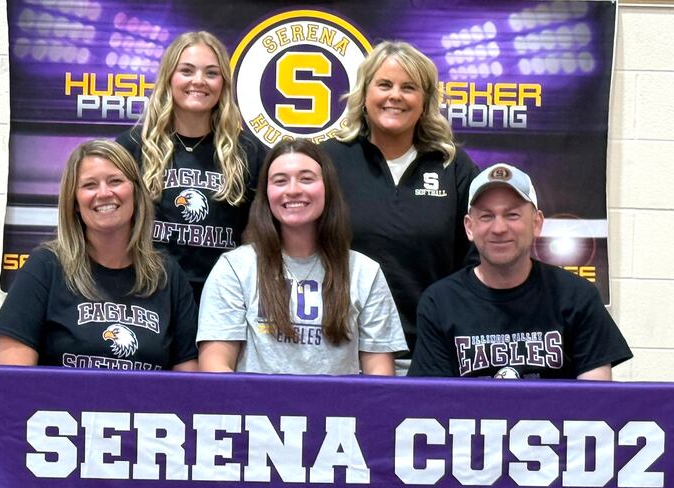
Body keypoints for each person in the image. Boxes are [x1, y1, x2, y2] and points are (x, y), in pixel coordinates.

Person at [323, 40, 479, 364]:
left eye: (409, 87)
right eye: (384, 85)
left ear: (425, 102)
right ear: (365, 95)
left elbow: (476, 259)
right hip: (342, 355)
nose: (395, 95)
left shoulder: (453, 166)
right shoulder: (328, 161)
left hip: (431, 355)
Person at [197, 139, 406, 375]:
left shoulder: (364, 272)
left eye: (306, 179)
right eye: (280, 181)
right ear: (266, 194)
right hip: (256, 410)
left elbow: (379, 375)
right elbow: (215, 368)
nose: (293, 189)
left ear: (327, 188)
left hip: (340, 411)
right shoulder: (235, 268)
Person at [0, 140, 198, 371]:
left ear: (136, 192)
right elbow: (14, 381)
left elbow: (188, 385)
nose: (104, 193)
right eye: (89, 185)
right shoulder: (46, 266)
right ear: (75, 202)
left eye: (115, 181)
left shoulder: (167, 274)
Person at [409, 163, 632, 379]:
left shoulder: (576, 296)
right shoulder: (440, 303)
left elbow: (596, 401)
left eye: (512, 215)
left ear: (537, 223)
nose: (499, 228)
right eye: (486, 216)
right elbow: (430, 403)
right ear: (469, 227)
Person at [117, 31, 266, 303]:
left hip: (223, 298)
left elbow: (261, 234)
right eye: (187, 71)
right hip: (149, 295)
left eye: (211, 73)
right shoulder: (130, 147)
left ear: (223, 83)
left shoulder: (250, 152)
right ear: (169, 78)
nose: (198, 81)